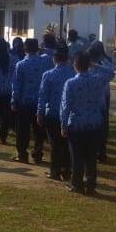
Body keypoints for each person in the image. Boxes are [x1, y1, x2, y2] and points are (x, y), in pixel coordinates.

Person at [60, 52, 109, 195]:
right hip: (94, 123)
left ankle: (77, 184)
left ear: (75, 65)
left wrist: (63, 124)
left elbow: (65, 106)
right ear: (88, 65)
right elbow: (111, 72)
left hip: (76, 123)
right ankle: (91, 185)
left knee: (76, 156)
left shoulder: (71, 83)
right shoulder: (97, 80)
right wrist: (94, 65)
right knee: (91, 157)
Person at [37, 46, 75, 181]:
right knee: (66, 144)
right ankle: (66, 170)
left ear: (55, 59)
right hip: (69, 115)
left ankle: (55, 170)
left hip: (52, 113)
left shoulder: (48, 75)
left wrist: (39, 113)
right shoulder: (73, 74)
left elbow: (42, 96)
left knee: (54, 144)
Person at [11, 38, 51, 164]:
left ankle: (22, 154)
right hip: (41, 102)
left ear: (25, 49)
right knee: (39, 130)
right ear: (37, 48)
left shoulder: (21, 64)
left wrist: (13, 100)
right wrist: (43, 49)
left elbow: (16, 85)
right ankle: (37, 153)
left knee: (22, 130)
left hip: (24, 102)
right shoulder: (45, 61)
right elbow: (52, 53)